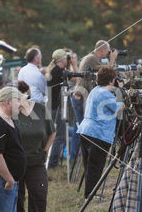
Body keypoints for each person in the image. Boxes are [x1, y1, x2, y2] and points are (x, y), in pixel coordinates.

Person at [13, 81, 55, 212]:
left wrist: (45, 151)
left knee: (39, 193)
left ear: (25, 94)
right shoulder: (11, 113)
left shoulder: (40, 109)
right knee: (16, 195)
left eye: (16, 95)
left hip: (36, 160)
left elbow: (52, 132)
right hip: (16, 161)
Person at [77, 66, 123, 198]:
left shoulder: (95, 90)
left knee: (89, 165)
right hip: (98, 134)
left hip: (85, 131)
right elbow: (119, 108)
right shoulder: (104, 93)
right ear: (111, 80)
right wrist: (120, 90)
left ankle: (89, 193)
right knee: (96, 166)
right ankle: (91, 195)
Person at [72, 40, 118, 126]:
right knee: (83, 127)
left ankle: (77, 140)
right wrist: (112, 59)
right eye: (108, 51)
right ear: (102, 50)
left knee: (79, 128)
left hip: (79, 94)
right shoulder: (92, 58)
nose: (108, 53)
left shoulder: (91, 58)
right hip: (82, 96)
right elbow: (108, 71)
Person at [45, 48, 78, 169]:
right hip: (57, 108)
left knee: (57, 135)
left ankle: (53, 162)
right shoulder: (59, 71)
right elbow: (77, 78)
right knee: (60, 136)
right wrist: (74, 64)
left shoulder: (56, 70)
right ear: (63, 59)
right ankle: (53, 165)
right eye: (66, 58)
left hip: (53, 107)